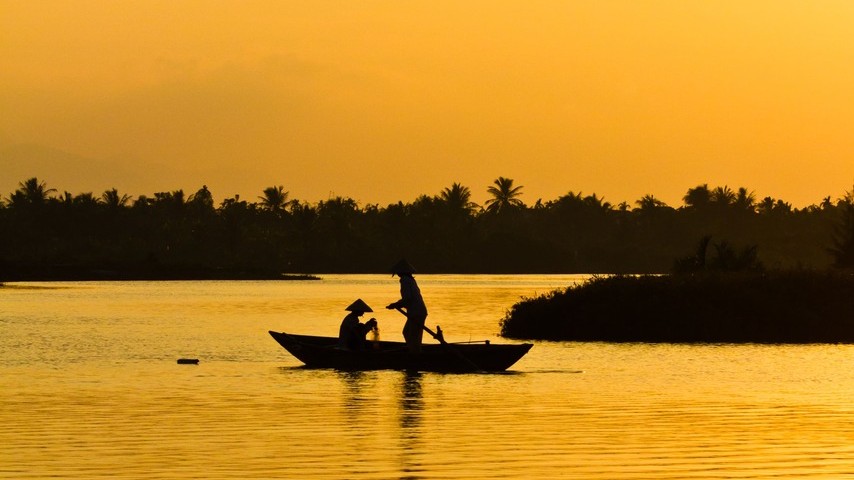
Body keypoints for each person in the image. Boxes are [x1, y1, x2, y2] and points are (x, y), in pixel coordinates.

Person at [385, 259, 428, 353]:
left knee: (412, 334)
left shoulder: (404, 280)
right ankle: (414, 351)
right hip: (417, 311)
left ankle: (415, 353)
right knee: (410, 333)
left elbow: (408, 299)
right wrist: (397, 304)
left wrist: (396, 305)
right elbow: (408, 299)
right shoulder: (410, 280)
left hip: (416, 312)